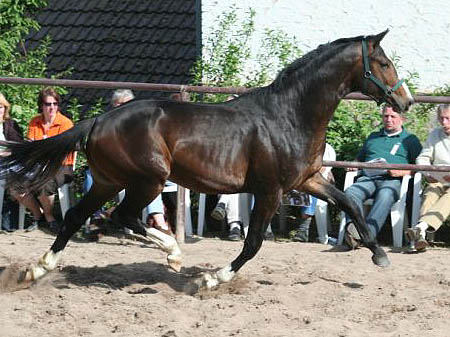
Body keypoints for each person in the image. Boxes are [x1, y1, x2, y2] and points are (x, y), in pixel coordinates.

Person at [343, 105, 422, 249]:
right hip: (368, 178)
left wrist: (400, 172)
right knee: (351, 192)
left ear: (402, 119)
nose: (389, 120)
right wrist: (354, 164)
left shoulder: (410, 139)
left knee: (386, 194)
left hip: (393, 180)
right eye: (386, 116)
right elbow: (358, 159)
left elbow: (418, 168)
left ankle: (365, 236)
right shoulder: (373, 137)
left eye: (393, 117)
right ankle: (354, 230)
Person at [25, 87, 75, 232]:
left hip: (62, 165)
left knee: (44, 184)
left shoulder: (66, 123)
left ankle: (49, 218)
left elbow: (64, 153)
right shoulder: (35, 122)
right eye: (48, 104)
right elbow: (29, 146)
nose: (52, 107)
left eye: (55, 103)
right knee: (16, 185)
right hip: (38, 164)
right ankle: (39, 216)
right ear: (41, 105)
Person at [407, 104, 450, 252]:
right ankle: (422, 236)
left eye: (448, 119)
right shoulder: (435, 135)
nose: (444, 123)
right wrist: (427, 173)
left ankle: (421, 228)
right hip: (438, 179)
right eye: (441, 118)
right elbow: (422, 158)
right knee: (430, 193)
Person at [0, 92, 45, 231]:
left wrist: (4, 153)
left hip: (11, 162)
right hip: (4, 167)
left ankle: (40, 216)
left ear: (5, 108)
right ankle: (40, 215)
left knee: (16, 188)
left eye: (1, 107)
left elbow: (20, 148)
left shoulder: (10, 124)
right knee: (15, 185)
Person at [292, 143, 336, 243]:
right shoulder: (298, 143)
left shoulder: (326, 148)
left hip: (309, 181)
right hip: (293, 180)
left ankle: (303, 230)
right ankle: (267, 230)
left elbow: (322, 169)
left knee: (312, 189)